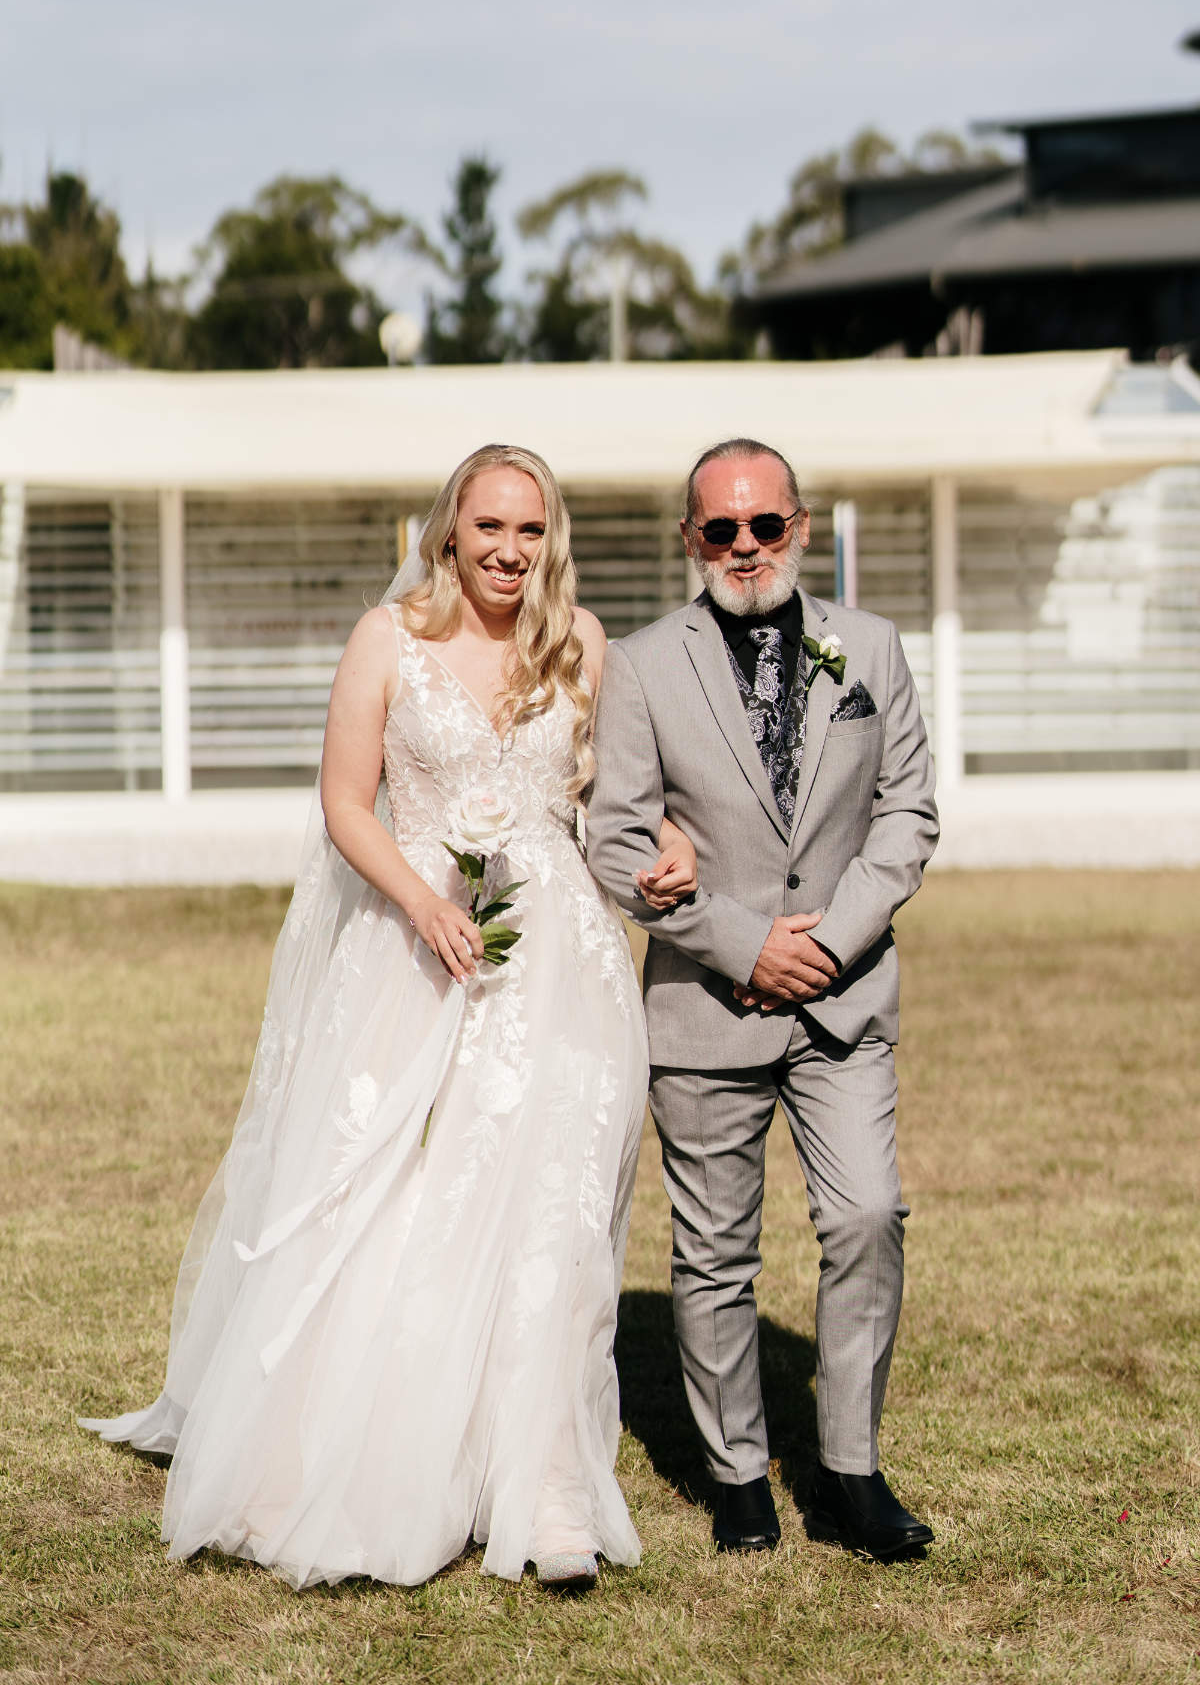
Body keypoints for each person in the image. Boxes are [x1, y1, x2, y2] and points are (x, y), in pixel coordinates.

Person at [81, 443, 696, 1592]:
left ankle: (543, 1485)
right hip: (418, 954)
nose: (509, 551)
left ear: (549, 537)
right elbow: (344, 800)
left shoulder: (584, 647)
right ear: (451, 529)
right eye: (489, 528)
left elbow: (618, 801)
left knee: (552, 1217)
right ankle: (376, 1462)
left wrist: (664, 842)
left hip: (562, 961)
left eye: (529, 530)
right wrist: (421, 903)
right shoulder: (389, 640)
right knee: (396, 1200)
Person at [587, 436, 939, 1560]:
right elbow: (618, 844)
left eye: (766, 525)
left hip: (844, 1003)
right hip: (706, 1006)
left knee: (868, 1217)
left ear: (800, 522)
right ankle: (737, 1473)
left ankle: (849, 1469)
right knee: (715, 1254)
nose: (746, 546)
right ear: (691, 539)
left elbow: (908, 817)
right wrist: (744, 947)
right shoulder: (641, 665)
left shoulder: (870, 647)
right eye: (722, 529)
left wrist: (825, 947)